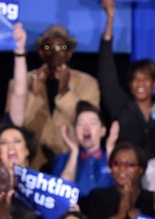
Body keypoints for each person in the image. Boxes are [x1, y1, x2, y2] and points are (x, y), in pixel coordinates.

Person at [98, 0, 155, 159]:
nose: (141, 83)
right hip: (127, 173)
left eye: (146, 79)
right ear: (130, 84)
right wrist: (110, 21)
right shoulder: (120, 107)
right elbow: (106, 72)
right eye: (136, 79)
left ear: (154, 83)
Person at [9, 24, 100, 169]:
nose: (54, 52)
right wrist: (33, 94)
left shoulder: (88, 83)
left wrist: (65, 92)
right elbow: (15, 125)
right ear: (40, 53)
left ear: (69, 53)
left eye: (62, 48)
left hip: (72, 164)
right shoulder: (20, 82)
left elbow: (88, 124)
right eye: (48, 47)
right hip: (32, 165)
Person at [55, 102, 118, 200]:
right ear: (75, 131)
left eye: (92, 123)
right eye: (80, 124)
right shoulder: (63, 159)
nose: (86, 128)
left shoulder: (113, 158)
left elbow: (120, 189)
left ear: (102, 131)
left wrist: (110, 149)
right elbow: (61, 194)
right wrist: (74, 152)